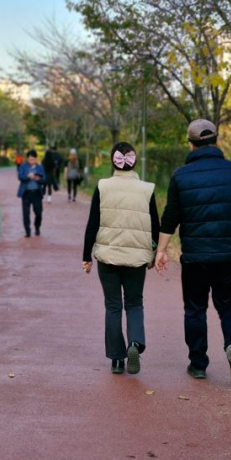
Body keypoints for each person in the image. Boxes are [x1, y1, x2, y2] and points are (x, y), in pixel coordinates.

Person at [154, 119, 231, 385]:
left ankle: (197, 364)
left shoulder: (180, 175)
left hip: (195, 256)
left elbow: (170, 217)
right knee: (230, 305)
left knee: (195, 309)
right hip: (227, 254)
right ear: (216, 140)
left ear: (191, 144)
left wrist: (161, 251)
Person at [82, 142, 159, 375]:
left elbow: (93, 222)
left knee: (113, 306)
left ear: (113, 161)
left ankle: (117, 360)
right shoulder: (147, 189)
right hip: (136, 257)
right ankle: (134, 343)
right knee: (134, 303)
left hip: (108, 257)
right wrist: (154, 251)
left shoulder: (103, 186)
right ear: (134, 161)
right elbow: (156, 225)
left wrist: (86, 255)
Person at [17, 150, 46, 238]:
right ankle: (27, 231)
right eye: (30, 159)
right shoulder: (23, 166)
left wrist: (39, 179)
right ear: (27, 159)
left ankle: (37, 227)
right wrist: (27, 176)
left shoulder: (40, 167)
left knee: (38, 212)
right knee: (26, 213)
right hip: (26, 193)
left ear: (36, 159)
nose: (32, 161)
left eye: (33, 159)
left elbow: (44, 179)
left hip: (36, 193)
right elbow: (20, 176)